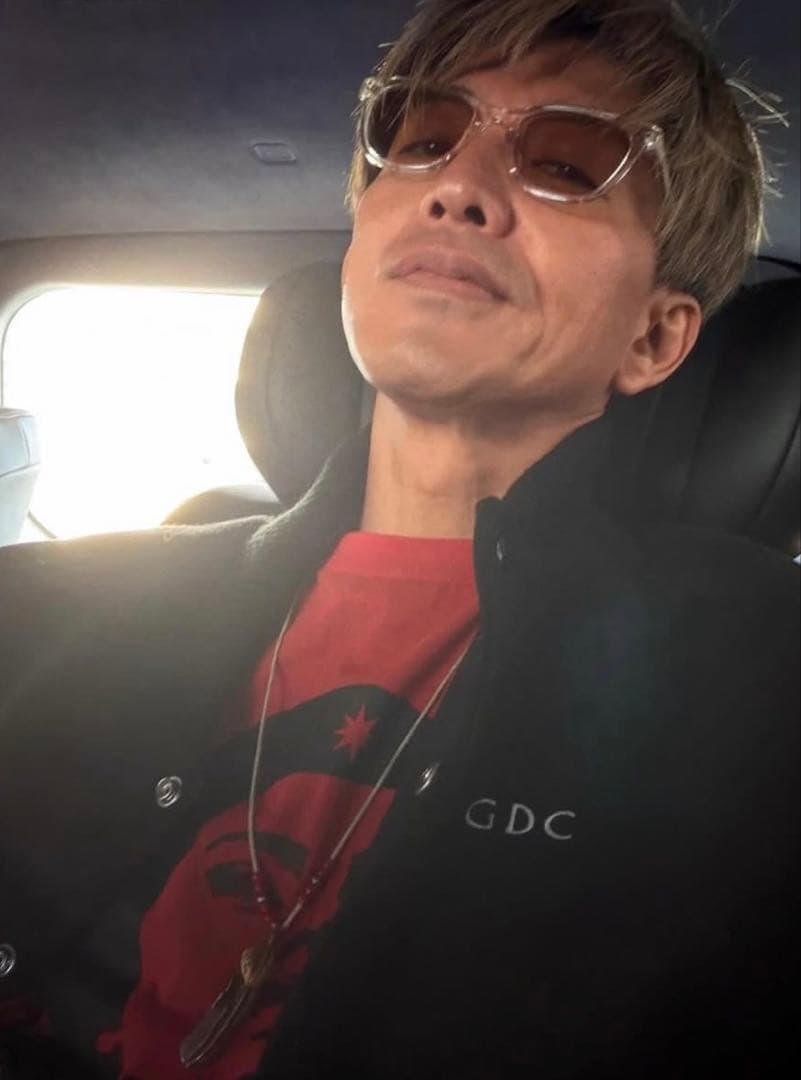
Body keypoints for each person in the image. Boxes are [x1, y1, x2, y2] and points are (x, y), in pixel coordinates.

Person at [0, 0, 798, 1077]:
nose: (457, 186)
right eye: (423, 140)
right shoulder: (39, 607)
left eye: (567, 165)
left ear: (655, 337)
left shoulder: (764, 678)